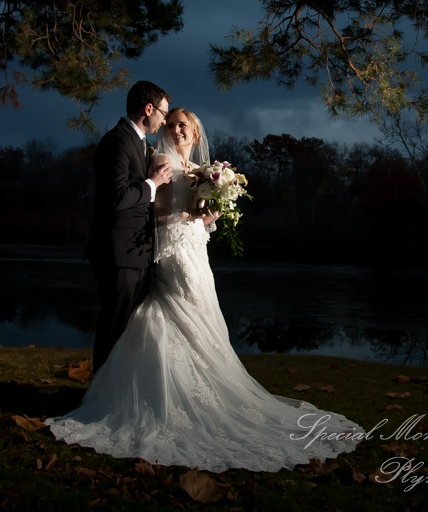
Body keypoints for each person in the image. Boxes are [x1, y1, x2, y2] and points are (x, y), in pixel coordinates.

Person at [47, 108, 361, 473]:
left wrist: (217, 204)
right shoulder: (161, 160)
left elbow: (204, 216)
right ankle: (159, 394)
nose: (176, 130)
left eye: (183, 126)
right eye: (171, 124)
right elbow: (158, 212)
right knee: (171, 309)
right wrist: (190, 213)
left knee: (202, 307)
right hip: (172, 247)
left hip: (196, 246)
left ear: (195, 134)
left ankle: (210, 390)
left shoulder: (199, 166)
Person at [85, 80, 173, 373]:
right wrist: (153, 184)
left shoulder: (139, 142)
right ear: (148, 109)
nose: (164, 121)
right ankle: (99, 391)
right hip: (118, 254)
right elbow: (116, 198)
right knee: (114, 326)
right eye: (163, 113)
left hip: (135, 252)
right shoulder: (117, 141)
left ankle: (115, 389)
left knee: (128, 330)